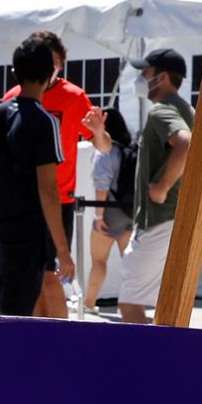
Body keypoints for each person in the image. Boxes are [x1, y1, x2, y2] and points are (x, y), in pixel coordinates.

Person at [0, 31, 100, 315]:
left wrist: (100, 132)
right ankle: (41, 340)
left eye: (54, 60)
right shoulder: (11, 101)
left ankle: (57, 341)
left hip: (59, 201)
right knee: (31, 281)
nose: (50, 67)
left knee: (51, 277)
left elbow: (101, 144)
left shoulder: (74, 96)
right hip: (22, 205)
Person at [0, 37, 73, 321]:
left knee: (5, 313)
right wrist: (63, 250)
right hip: (25, 236)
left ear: (15, 73)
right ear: (50, 76)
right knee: (19, 318)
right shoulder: (43, 121)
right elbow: (49, 190)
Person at [116, 48, 195, 324]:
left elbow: (185, 143)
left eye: (145, 73)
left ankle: (140, 364)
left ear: (160, 77)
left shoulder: (162, 110)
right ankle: (162, 361)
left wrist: (161, 186)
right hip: (177, 219)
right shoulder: (187, 109)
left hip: (159, 220)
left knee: (130, 302)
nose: (140, 77)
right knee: (168, 306)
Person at [84, 105, 131, 314]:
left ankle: (89, 304)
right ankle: (128, 306)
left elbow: (102, 186)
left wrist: (98, 216)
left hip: (109, 212)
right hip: (129, 212)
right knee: (129, 266)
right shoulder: (126, 149)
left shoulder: (105, 153)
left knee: (98, 261)